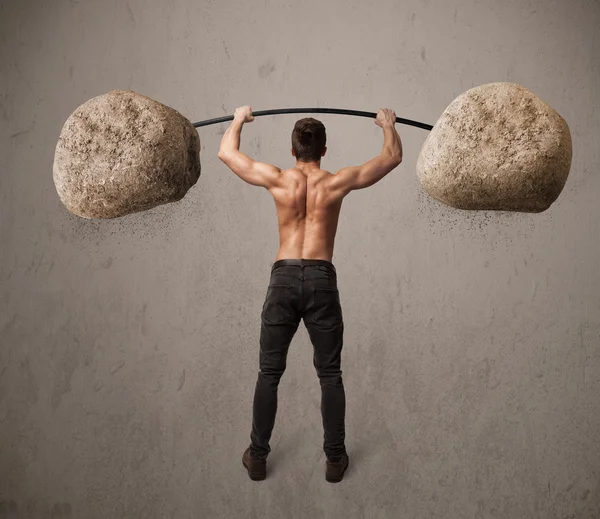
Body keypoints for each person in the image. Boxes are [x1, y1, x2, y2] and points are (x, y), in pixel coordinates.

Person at [218, 106, 403, 483]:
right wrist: (388, 125)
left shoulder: (277, 178)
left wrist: (238, 119)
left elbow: (227, 154)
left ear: (292, 151)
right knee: (330, 374)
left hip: (283, 279)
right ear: (324, 150)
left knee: (269, 373)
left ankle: (257, 457)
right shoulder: (336, 182)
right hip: (320, 279)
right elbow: (392, 157)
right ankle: (335, 461)